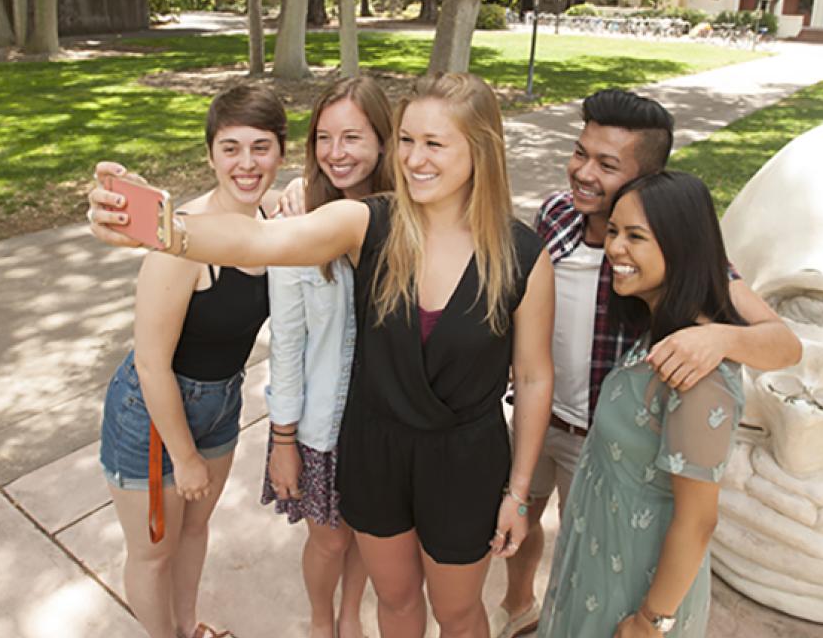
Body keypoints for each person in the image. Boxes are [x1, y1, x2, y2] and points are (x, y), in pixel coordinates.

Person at [89, 72, 555, 638]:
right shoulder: (369, 223)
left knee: (458, 614)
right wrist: (157, 224)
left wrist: (519, 491)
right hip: (376, 452)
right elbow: (258, 241)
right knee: (396, 601)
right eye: (407, 141)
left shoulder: (523, 256)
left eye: (434, 143)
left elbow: (532, 378)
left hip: (464, 463)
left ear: (480, 149)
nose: (414, 158)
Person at [492, 90, 801, 638]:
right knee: (529, 523)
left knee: (598, 545)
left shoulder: (672, 247)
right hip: (544, 415)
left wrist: (719, 340)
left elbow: (783, 344)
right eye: (579, 152)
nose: (583, 173)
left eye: (607, 165)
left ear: (645, 179)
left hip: (615, 438)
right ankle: (520, 610)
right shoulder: (556, 217)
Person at [97, 84, 285, 638]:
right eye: (230, 148)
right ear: (210, 155)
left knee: (195, 530)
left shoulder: (275, 218)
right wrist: (185, 455)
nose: (246, 163)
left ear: (280, 151)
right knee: (153, 551)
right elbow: (152, 364)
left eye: (260, 146)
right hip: (152, 415)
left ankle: (188, 627)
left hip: (221, 401)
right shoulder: (180, 241)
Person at [538, 170, 752, 637]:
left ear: (681, 246)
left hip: (636, 587)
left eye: (636, 236)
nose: (615, 248)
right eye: (613, 231)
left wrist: (651, 620)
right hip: (598, 561)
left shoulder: (698, 374)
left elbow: (697, 520)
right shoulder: (657, 332)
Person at [261, 76, 394, 638]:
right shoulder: (299, 227)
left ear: (384, 142)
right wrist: (284, 441)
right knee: (328, 538)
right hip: (321, 424)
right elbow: (286, 344)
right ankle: (321, 619)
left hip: (388, 422)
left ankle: (349, 614)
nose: (335, 154)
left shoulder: (411, 220)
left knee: (369, 532)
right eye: (323, 137)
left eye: (353, 138)